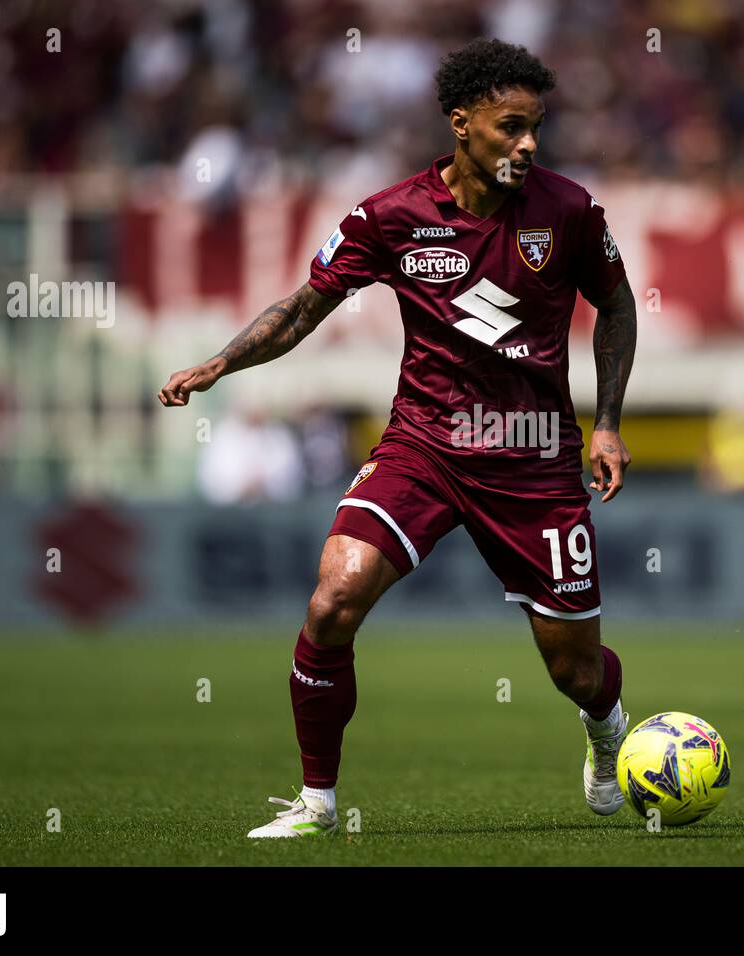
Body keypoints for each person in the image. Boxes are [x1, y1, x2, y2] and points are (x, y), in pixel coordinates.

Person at [158, 38, 638, 837]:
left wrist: (611, 423)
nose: (527, 144)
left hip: (533, 458)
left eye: (536, 128)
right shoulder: (390, 216)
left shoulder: (570, 210)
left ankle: (605, 723)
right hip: (424, 446)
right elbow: (304, 308)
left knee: (575, 671)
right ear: (461, 123)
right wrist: (221, 362)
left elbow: (617, 306)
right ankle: (318, 804)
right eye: (509, 126)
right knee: (333, 599)